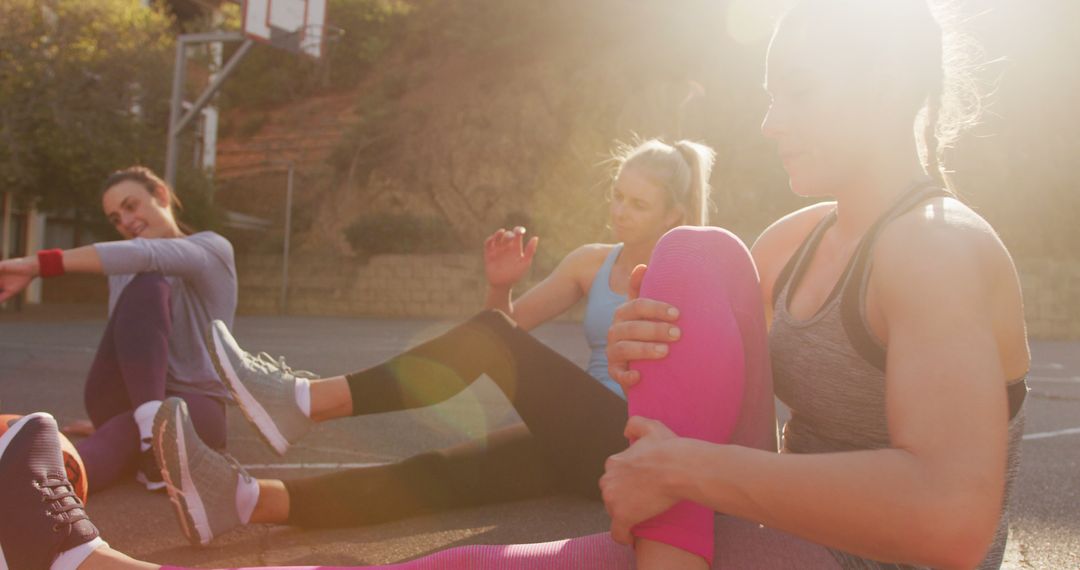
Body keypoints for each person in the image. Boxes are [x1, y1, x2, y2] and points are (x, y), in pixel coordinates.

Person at [151, 138, 775, 556]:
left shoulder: (696, 270)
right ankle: (243, 502)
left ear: (672, 215)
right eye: (617, 194)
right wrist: (499, 287)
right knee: (434, 476)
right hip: (578, 439)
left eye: (638, 204)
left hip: (637, 441)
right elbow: (499, 333)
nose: (620, 211)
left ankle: (305, 401)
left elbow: (723, 382)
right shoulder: (591, 263)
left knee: (485, 348)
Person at [0, 166, 236, 494]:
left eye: (131, 206)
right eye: (115, 217)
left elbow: (148, 254)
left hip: (197, 403)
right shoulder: (122, 271)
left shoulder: (212, 249)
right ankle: (148, 435)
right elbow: (130, 342)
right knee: (145, 282)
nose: (125, 221)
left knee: (120, 435)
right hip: (124, 397)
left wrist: (36, 265)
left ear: (161, 196)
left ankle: (33, 491)